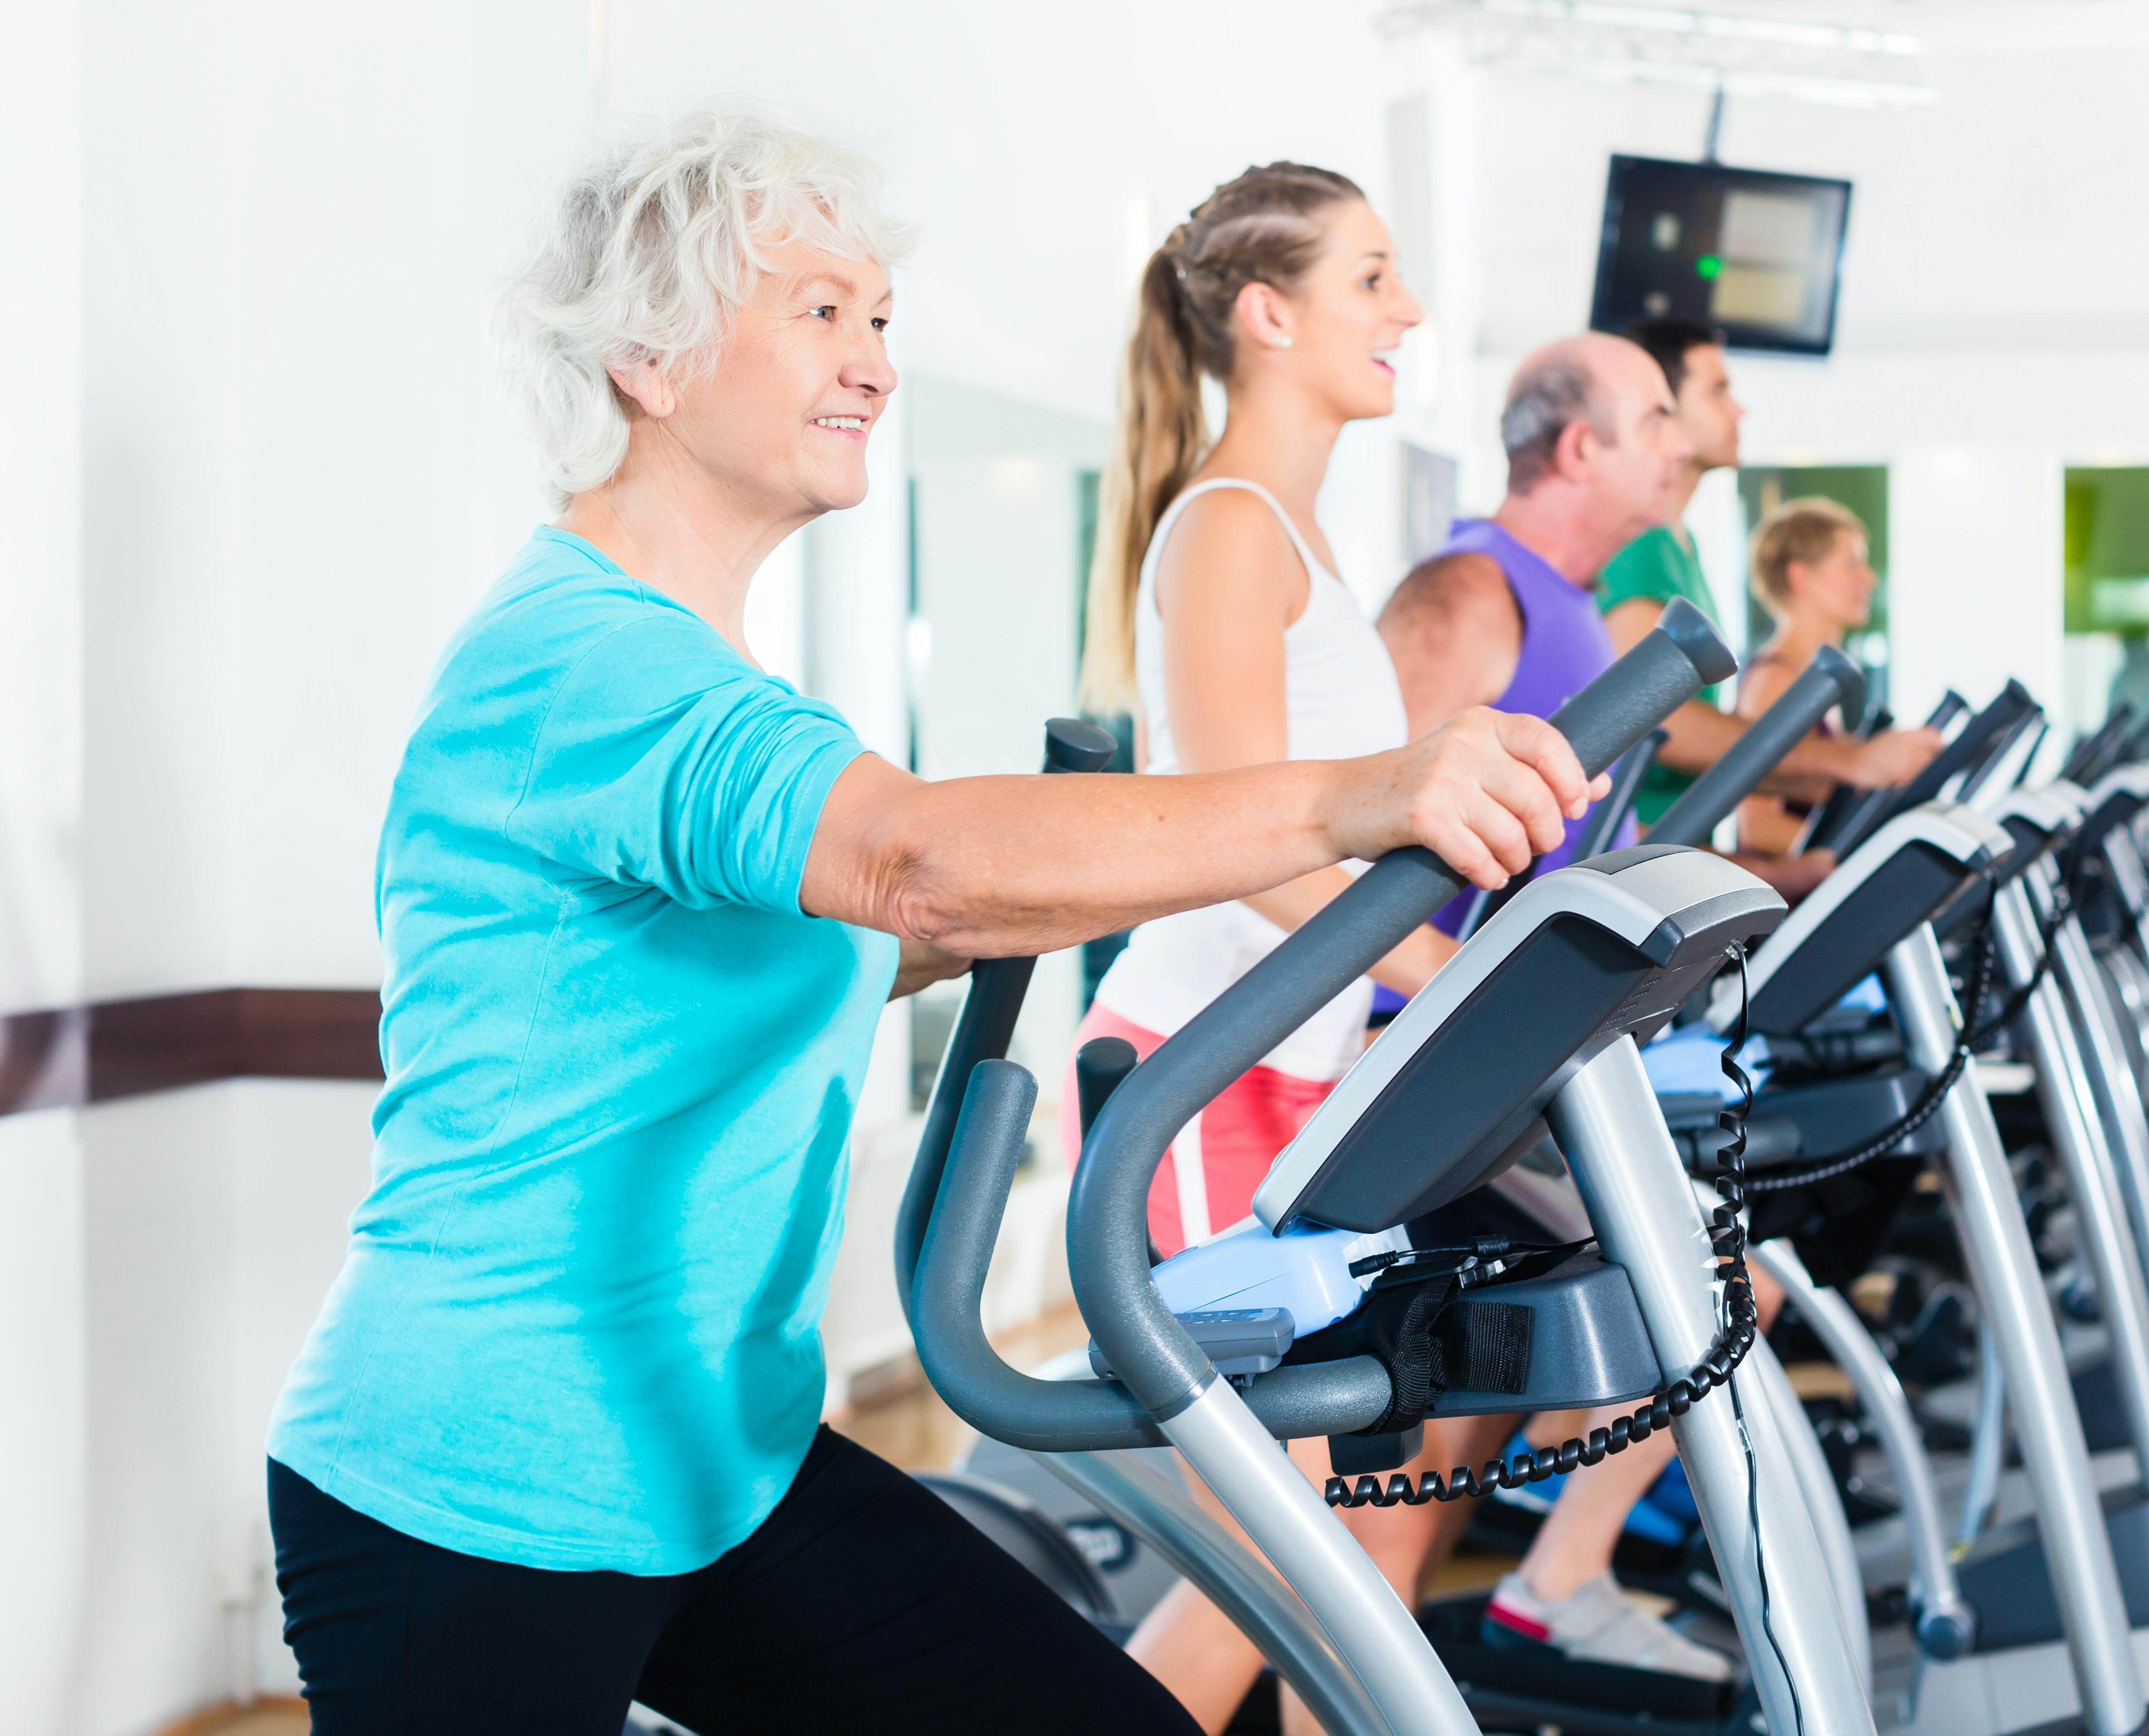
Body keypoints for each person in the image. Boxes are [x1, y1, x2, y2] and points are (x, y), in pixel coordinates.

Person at [261, 109, 1605, 1736]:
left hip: (717, 1459)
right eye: (816, 308)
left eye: (879, 318)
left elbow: (876, 924)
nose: (874, 363)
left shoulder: (695, 676)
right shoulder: (577, 661)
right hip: (476, 1486)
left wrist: (1057, 874)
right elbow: (911, 862)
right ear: (646, 357)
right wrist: (1352, 798)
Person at [1061, 162, 1546, 1736]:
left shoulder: (1292, 538)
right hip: (1197, 1083)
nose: (1403, 310)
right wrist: (1445, 976)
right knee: (1267, 1570)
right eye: (1369, 279)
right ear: (1266, 316)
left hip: (1288, 1070)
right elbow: (1230, 835)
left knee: (1358, 1537)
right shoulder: (1222, 528)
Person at [1373, 333, 1751, 1683]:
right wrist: (1430, 1007)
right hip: (1400, 1065)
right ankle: (1477, 1617)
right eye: (1653, 417)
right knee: (1703, 1279)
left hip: (1502, 1061)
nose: (1678, 441)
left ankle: (1495, 1607)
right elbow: (1360, 862)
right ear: (1578, 446)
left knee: (1500, 1381)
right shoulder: (1474, 591)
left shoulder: (1579, 608)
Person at [1596, 316, 1936, 885]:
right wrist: (1847, 763)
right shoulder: (1632, 545)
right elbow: (1656, 723)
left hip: (1683, 859)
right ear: (1661, 406)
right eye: (1717, 391)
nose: (1739, 411)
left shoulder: (1683, 548)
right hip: (1637, 874)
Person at [1734, 496, 1894, 856]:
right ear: (1801, 576)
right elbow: (1756, 826)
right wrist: (1857, 856)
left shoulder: (1812, 677)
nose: (1867, 577)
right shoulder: (1775, 681)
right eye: (1851, 563)